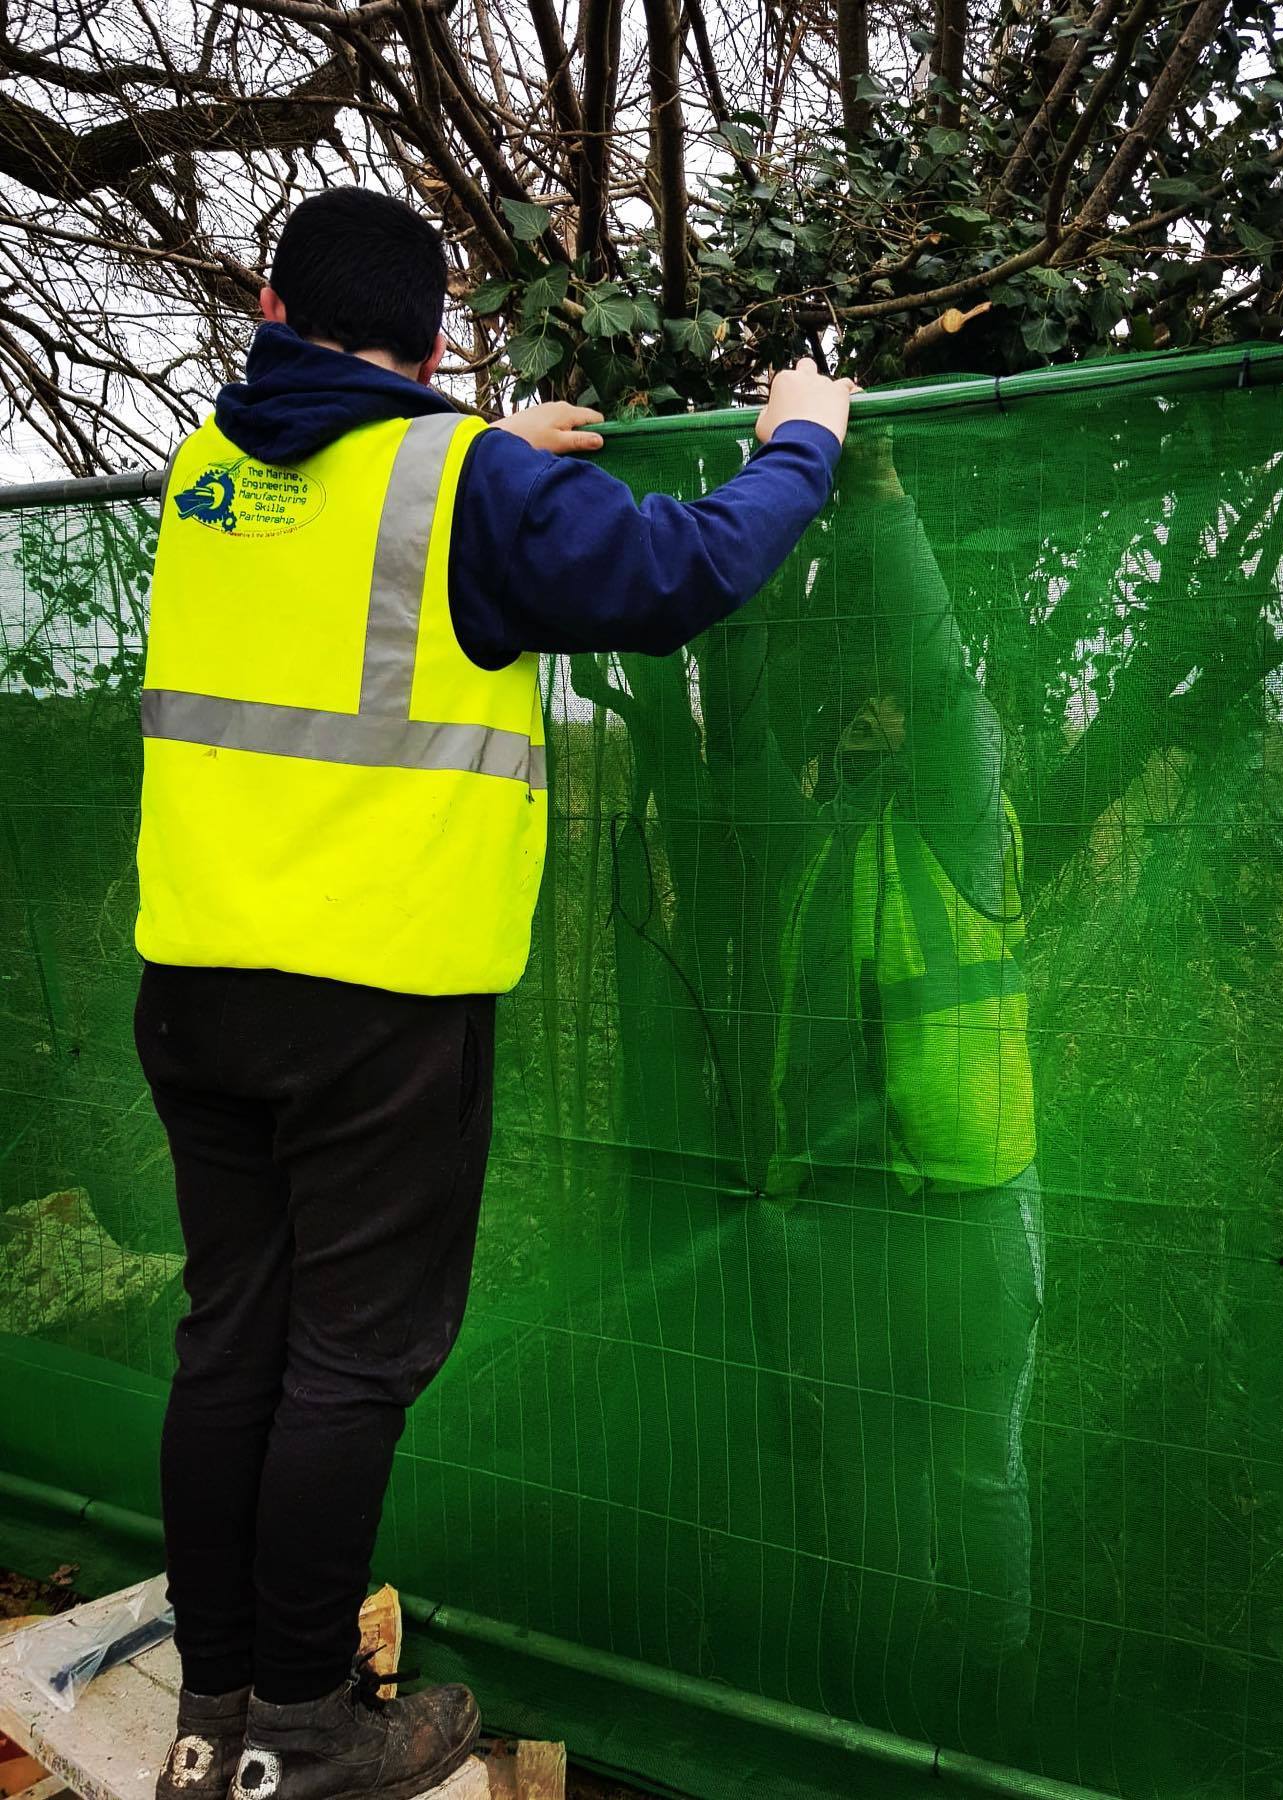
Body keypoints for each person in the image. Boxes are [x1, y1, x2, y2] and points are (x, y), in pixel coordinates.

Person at [136, 185, 855, 1800]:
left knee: (229, 1344)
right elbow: (674, 573)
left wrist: (485, 453)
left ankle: (216, 1718)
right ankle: (308, 1740)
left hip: (194, 987)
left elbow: (332, 490)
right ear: (440, 335)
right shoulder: (456, 483)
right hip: (374, 1011)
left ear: (265, 304)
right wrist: (800, 439)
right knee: (346, 1366)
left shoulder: (201, 472)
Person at [708, 434, 1042, 1729]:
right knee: (870, 1493)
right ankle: (887, 1721)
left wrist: (885, 504)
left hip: (965, 1217)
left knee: (976, 1476)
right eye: (857, 705)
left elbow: (948, 690)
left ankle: (1000, 1704)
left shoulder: (962, 828)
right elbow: (738, 743)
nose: (877, 711)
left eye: (889, 701)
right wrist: (740, 514)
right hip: (844, 1230)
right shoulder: (815, 847)